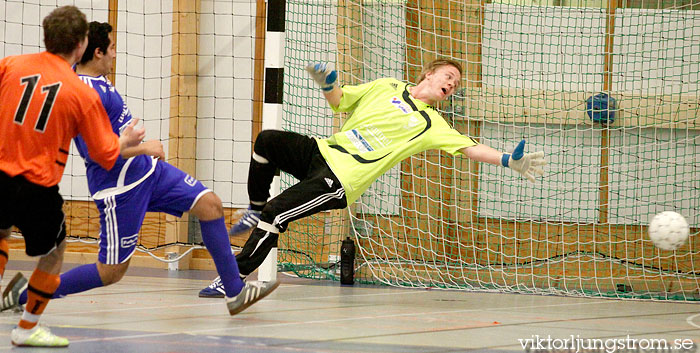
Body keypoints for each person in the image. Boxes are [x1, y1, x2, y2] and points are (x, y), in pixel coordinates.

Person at [1, 21, 279, 322]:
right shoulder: (83, 93)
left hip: (149, 174)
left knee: (209, 204)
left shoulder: (93, 81)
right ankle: (21, 296)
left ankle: (235, 292)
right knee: (110, 272)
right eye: (111, 48)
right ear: (97, 53)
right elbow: (97, 153)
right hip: (119, 190)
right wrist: (144, 148)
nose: (115, 54)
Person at [198, 59, 547, 297]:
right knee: (267, 140)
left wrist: (507, 160)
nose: (452, 84)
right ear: (428, 75)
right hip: (323, 151)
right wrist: (327, 84)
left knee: (279, 213)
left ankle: (234, 279)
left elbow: (469, 148)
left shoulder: (431, 124)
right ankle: (254, 208)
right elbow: (339, 101)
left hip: (341, 178)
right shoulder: (387, 85)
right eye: (447, 76)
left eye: (455, 84)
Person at [0, 6, 147, 347]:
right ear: (81, 45)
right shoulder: (81, 92)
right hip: (37, 186)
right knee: (54, 253)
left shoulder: (11, 65)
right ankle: (27, 327)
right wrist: (124, 141)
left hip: (0, 175)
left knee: (1, 233)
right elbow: (104, 154)